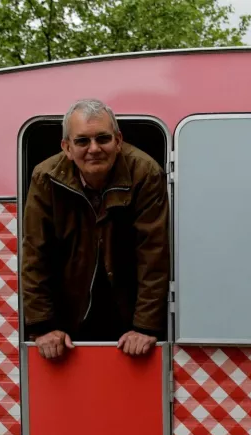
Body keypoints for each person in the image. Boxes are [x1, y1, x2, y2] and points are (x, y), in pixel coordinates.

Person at [21, 99, 169, 360]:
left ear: (118, 140)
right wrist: (43, 327)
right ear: (67, 147)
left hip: (128, 311)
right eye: (82, 141)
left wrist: (145, 326)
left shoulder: (145, 173)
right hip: (68, 314)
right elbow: (35, 254)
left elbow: (154, 253)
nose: (94, 149)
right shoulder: (44, 178)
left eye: (103, 138)